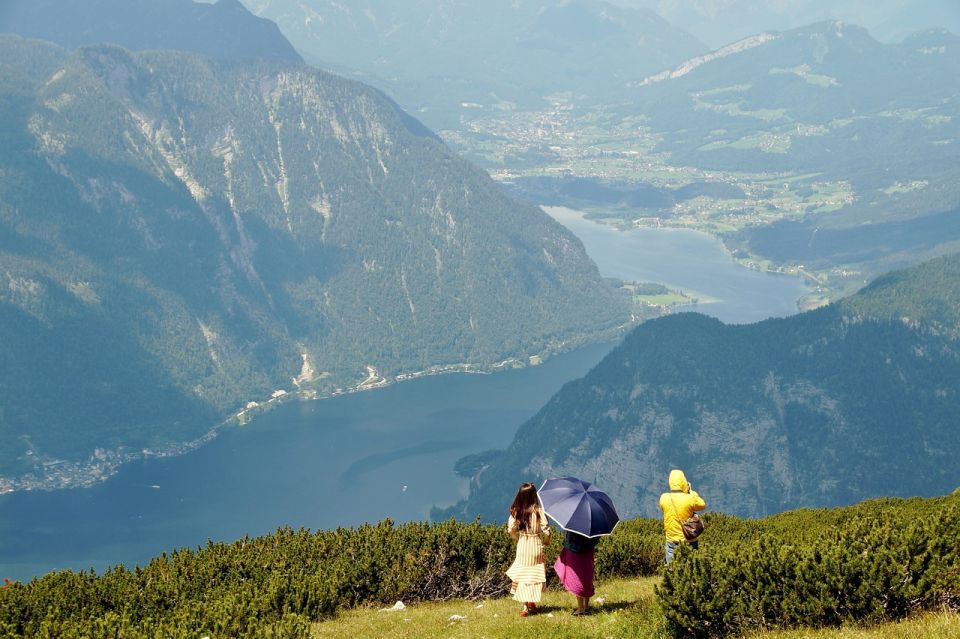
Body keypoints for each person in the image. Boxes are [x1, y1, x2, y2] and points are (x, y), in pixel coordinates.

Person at [505, 482, 551, 617]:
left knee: (523, 573)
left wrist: (517, 539)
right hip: (535, 543)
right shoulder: (538, 510)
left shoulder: (515, 511)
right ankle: (531, 602)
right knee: (534, 573)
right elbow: (546, 530)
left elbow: (510, 530)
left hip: (523, 544)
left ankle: (525, 607)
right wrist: (546, 542)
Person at [658, 469, 706, 565]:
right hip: (689, 539)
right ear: (683, 481)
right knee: (691, 568)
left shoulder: (664, 498)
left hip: (671, 540)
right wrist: (690, 491)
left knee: (671, 569)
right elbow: (702, 505)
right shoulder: (689, 498)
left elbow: (663, 508)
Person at [554, 529, 599, 615]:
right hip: (588, 550)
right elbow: (596, 538)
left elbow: (571, 537)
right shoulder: (592, 522)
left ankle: (580, 608)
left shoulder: (575, 520)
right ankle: (586, 607)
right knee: (587, 577)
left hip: (574, 549)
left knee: (577, 577)